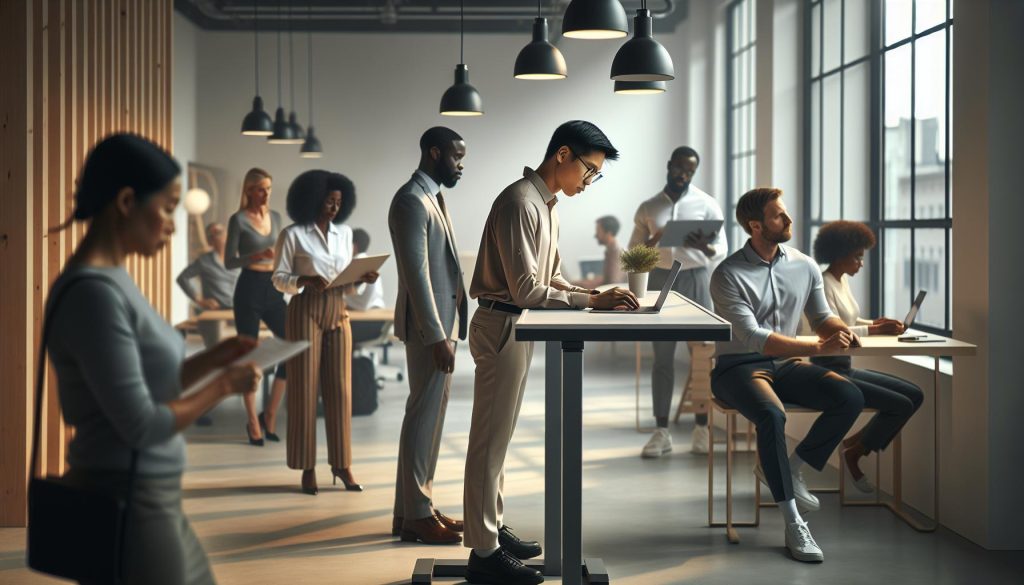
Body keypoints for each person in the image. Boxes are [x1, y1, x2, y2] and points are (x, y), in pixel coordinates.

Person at [46, 133, 263, 585]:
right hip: (129, 499)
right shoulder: (94, 295)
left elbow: (153, 383)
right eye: (167, 208)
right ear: (126, 201)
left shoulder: (114, 280)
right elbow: (141, 425)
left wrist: (217, 357)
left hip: (153, 494)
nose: (172, 224)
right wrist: (223, 386)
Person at [464, 121, 638, 585]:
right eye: (589, 169)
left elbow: (552, 278)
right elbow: (525, 289)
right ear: (562, 155)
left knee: (497, 439)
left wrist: (593, 293)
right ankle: (483, 553)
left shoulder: (547, 205)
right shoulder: (521, 202)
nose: (589, 180)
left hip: (514, 323)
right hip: (502, 321)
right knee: (489, 440)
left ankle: (491, 530)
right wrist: (589, 301)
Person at [710, 187, 865, 563]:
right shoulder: (727, 274)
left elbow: (820, 315)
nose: (789, 220)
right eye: (779, 215)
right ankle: (794, 521)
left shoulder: (804, 264)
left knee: (850, 397)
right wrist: (816, 348)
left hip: (786, 365)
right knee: (772, 414)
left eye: (785, 213)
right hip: (738, 368)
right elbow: (755, 338)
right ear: (756, 225)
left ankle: (791, 469)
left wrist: (837, 331)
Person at [272, 170, 378, 495]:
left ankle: (342, 464)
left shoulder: (344, 234)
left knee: (341, 391)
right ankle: (307, 467)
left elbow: (343, 277)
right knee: (304, 389)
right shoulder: (292, 234)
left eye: (338, 202)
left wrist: (362, 278)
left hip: (338, 309)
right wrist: (302, 281)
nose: (334, 207)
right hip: (305, 309)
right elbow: (278, 277)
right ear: (314, 198)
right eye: (329, 201)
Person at [389, 126, 469, 545]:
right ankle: (417, 514)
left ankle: (414, 510)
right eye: (456, 157)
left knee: (428, 417)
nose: (461, 166)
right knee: (423, 417)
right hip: (429, 329)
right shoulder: (411, 200)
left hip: (440, 327)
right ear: (434, 152)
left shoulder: (430, 196)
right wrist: (438, 335)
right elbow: (416, 275)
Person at [811, 220, 924, 492]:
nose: (861, 263)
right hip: (828, 370)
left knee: (914, 395)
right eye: (857, 257)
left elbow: (848, 320)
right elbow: (831, 329)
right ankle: (855, 452)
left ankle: (855, 444)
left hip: (846, 367)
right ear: (839, 255)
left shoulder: (842, 281)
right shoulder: (824, 285)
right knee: (900, 405)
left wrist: (876, 321)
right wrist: (874, 329)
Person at [629, 146, 727, 457]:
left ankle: (701, 428)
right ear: (670, 165)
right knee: (662, 358)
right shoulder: (649, 206)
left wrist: (705, 247)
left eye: (690, 170)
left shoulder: (707, 204)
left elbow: (720, 250)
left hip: (696, 278)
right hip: (660, 280)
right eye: (680, 168)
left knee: (701, 356)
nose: (684, 174)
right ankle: (662, 432)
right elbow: (633, 255)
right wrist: (654, 240)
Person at [225, 168, 287, 446]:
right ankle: (252, 421)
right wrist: (257, 254)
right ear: (249, 190)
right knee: (248, 354)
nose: (266, 194)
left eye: (268, 188)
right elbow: (229, 261)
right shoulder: (237, 220)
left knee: (293, 342)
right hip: (248, 287)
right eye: (260, 188)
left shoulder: (275, 218)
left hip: (273, 286)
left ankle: (270, 414)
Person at [176, 222, 240, 348]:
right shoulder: (204, 261)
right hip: (215, 312)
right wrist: (199, 300)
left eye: (221, 232)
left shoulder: (239, 259)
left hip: (237, 309)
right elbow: (182, 278)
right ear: (210, 241)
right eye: (214, 234)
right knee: (217, 346)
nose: (219, 236)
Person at [344, 228, 386, 312]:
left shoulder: (356, 264)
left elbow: (355, 292)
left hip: (362, 311)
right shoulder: (370, 261)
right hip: (378, 308)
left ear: (354, 247)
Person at [576, 215, 624, 290]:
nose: (595, 235)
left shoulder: (616, 253)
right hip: (607, 290)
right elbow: (607, 279)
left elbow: (613, 284)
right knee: (576, 284)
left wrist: (585, 286)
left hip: (611, 295)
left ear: (609, 233)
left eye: (598, 231)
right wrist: (587, 282)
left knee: (574, 286)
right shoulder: (610, 251)